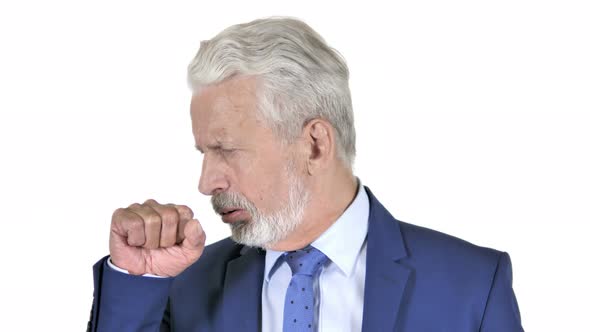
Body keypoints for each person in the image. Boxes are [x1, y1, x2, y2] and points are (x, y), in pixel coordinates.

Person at [87, 17, 523, 332]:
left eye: (226, 150)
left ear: (315, 144)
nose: (207, 182)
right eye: (204, 152)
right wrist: (139, 277)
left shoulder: (471, 287)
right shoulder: (183, 285)